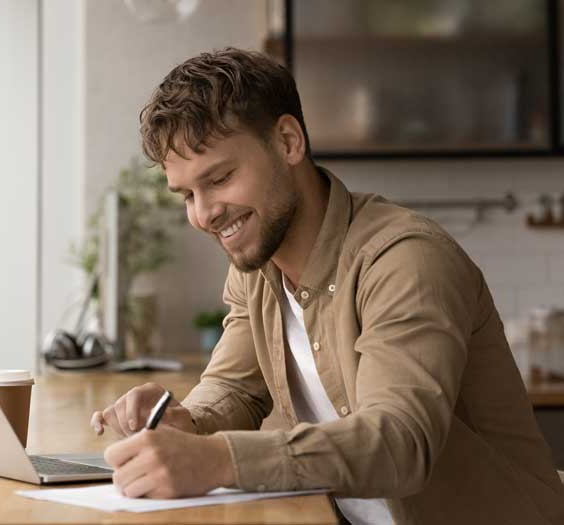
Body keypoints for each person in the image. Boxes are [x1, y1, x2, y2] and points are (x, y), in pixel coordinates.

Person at [90, 48, 564, 524]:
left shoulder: (405, 259)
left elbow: (399, 442)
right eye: (188, 195)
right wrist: (182, 421)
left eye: (220, 178)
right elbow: (235, 387)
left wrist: (219, 460)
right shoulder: (256, 265)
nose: (204, 214)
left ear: (288, 141)